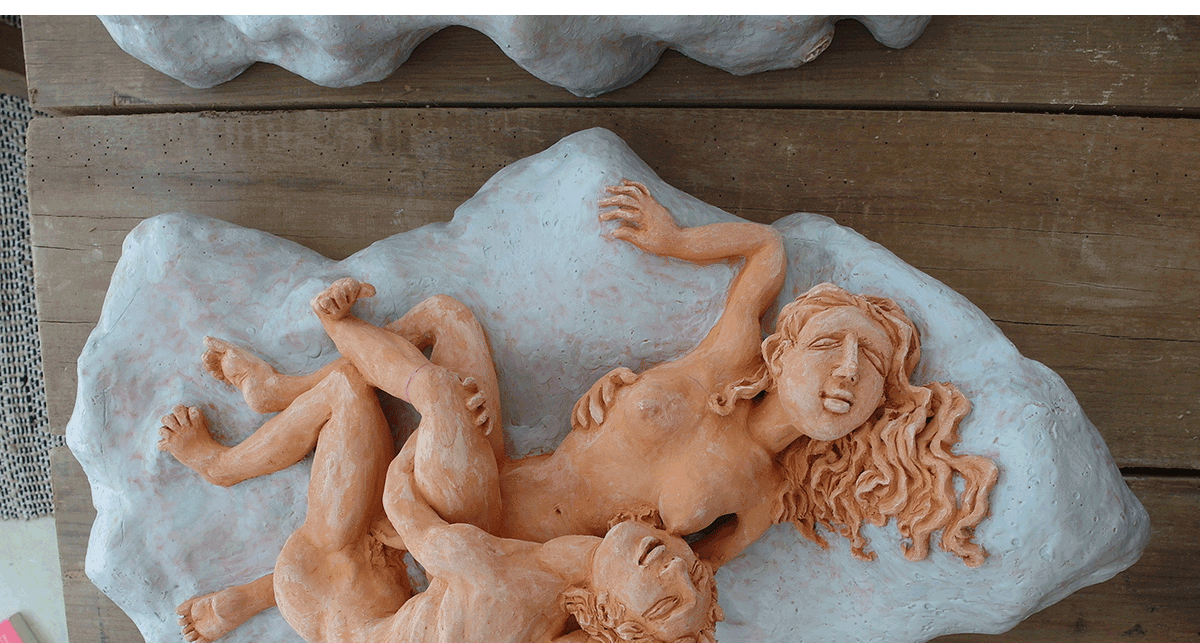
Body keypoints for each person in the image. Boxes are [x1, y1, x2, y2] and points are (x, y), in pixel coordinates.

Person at [306, 180, 996, 572]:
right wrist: (674, 241)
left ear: (879, 406)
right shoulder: (725, 355)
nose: (848, 370)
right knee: (446, 317)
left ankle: (339, 345)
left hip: (494, 550)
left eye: (871, 363)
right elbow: (767, 248)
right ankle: (308, 382)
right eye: (829, 344)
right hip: (490, 467)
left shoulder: (761, 498)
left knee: (435, 394)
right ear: (782, 350)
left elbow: (673, 592)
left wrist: (558, 619)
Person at [158, 283, 721, 643]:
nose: (675, 567)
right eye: (692, 571)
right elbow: (666, 590)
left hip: (347, 577)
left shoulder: (508, 583)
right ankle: (280, 389)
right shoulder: (600, 581)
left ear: (617, 615)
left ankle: (223, 465)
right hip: (478, 504)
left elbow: (401, 507)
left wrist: (435, 427)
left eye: (665, 598)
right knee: (445, 317)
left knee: (387, 390)